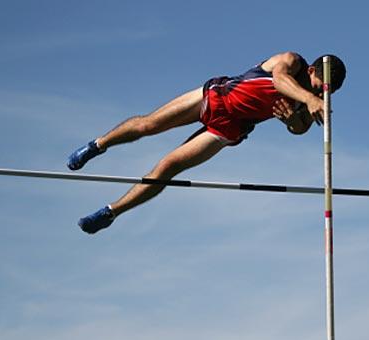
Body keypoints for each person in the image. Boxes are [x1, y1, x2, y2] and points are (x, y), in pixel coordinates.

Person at [68, 52, 346, 234]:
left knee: (169, 166)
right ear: (311, 70)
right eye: (319, 86)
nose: (319, 93)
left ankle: (110, 212)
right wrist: (309, 98)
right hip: (216, 97)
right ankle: (98, 145)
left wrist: (290, 120)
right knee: (148, 125)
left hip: (229, 127)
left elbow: (299, 129)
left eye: (326, 92)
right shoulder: (291, 61)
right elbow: (279, 79)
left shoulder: (308, 102)